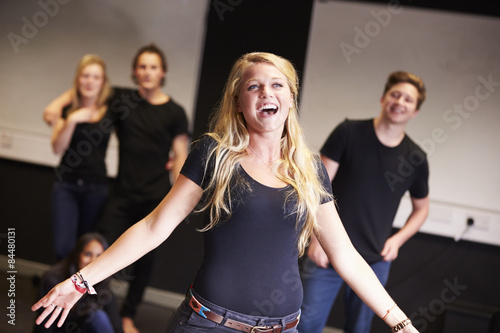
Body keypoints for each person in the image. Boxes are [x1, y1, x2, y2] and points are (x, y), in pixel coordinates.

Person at [33, 52, 419, 333]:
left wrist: (400, 324)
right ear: (240, 102)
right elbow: (154, 228)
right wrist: (80, 281)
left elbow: (346, 256)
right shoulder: (213, 155)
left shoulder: (309, 168)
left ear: (289, 97)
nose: (265, 92)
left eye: (276, 85)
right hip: (209, 325)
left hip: (285, 328)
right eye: (253, 86)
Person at [42, 44, 190, 333]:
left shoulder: (175, 112)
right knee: (100, 251)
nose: (148, 72)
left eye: (154, 67)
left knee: (145, 261)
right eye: (142, 67)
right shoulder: (123, 100)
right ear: (135, 72)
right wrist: (57, 113)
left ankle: (127, 316)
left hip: (156, 198)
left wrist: (179, 199)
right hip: (121, 195)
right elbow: (80, 93)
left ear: (163, 73)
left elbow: (180, 156)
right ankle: (88, 308)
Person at [298, 71, 429, 333]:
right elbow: (316, 188)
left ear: (414, 111)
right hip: (327, 253)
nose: (400, 102)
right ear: (383, 98)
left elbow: (421, 209)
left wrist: (397, 240)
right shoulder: (349, 132)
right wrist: (316, 239)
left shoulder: (416, 157)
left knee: (359, 328)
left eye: (408, 99)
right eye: (395, 94)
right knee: (307, 325)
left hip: (375, 260)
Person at [50, 54, 115, 260]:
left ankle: (80, 292)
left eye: (96, 77)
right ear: (78, 79)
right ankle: (57, 289)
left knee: (86, 251)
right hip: (66, 185)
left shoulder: (111, 111)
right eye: (85, 76)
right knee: (63, 248)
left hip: (96, 188)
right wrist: (71, 121)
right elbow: (57, 147)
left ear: (103, 82)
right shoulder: (68, 111)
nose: (90, 81)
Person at [34, 232, 123, 333]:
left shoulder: (103, 281)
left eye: (99, 256)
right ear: (77, 256)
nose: (93, 261)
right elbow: (44, 325)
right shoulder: (54, 279)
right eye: (88, 254)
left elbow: (116, 323)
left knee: (99, 317)